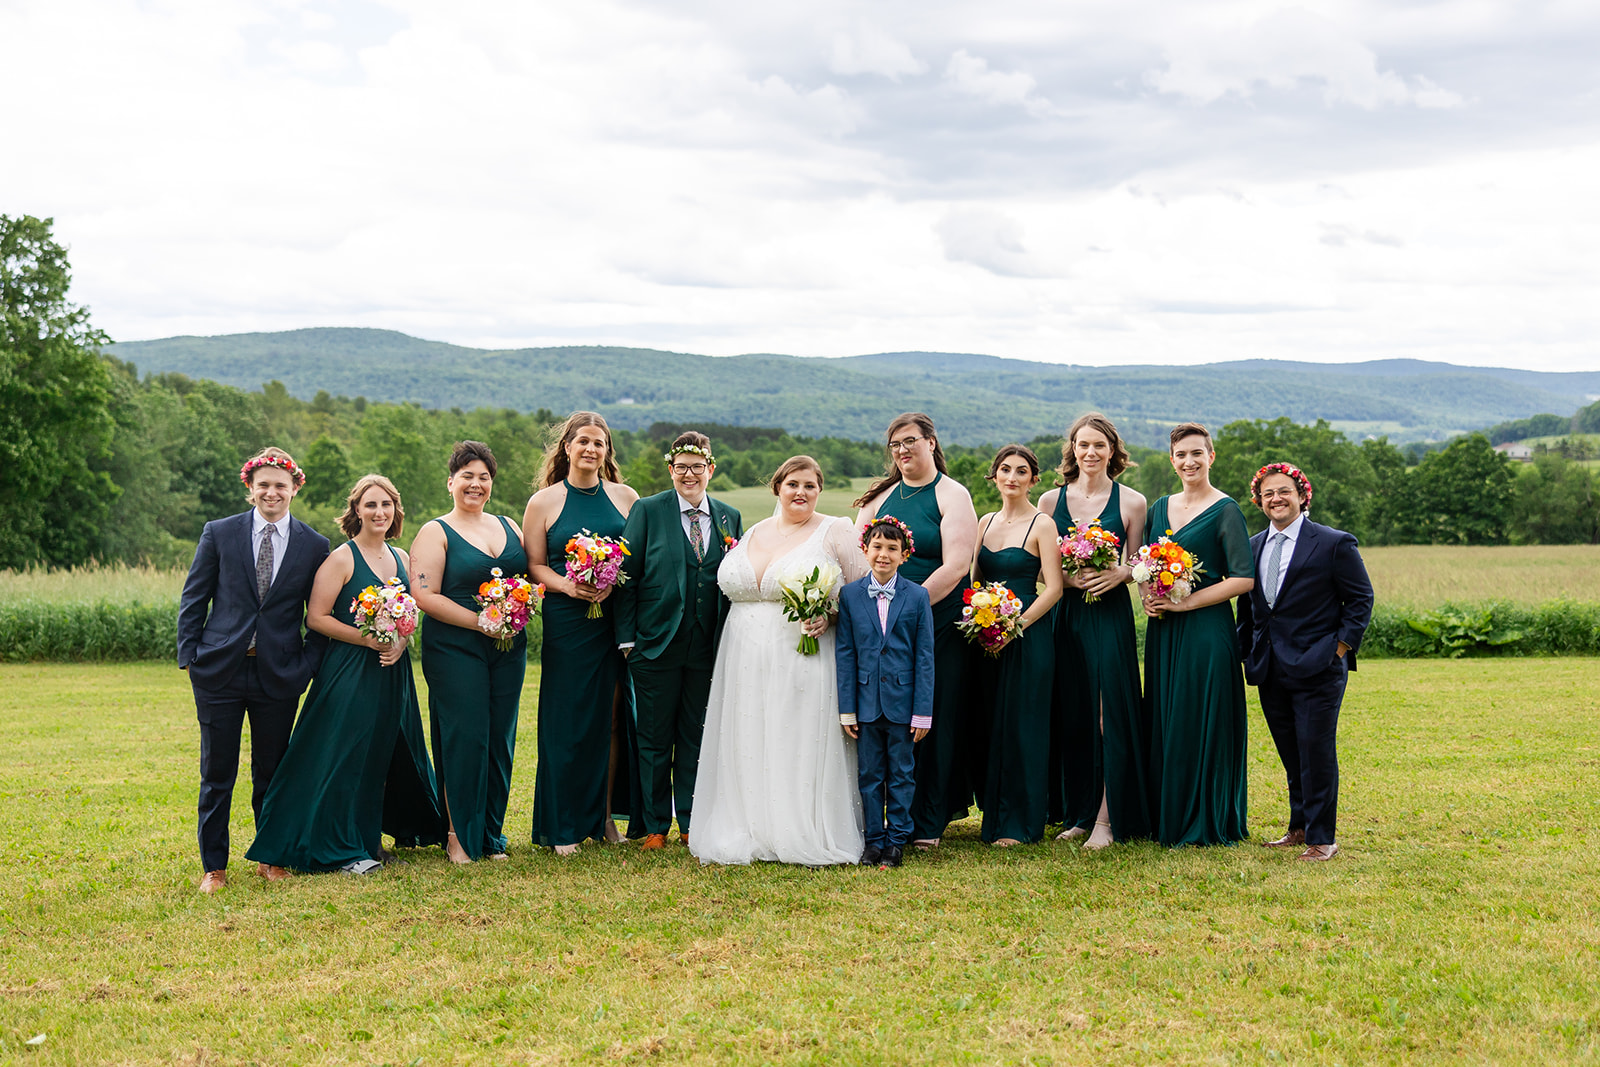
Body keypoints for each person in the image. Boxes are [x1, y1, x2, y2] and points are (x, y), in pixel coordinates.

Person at [247, 474, 444, 874]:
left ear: (395, 511)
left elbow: (412, 614)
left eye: (386, 505)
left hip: (393, 672)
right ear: (356, 510)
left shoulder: (403, 557)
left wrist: (400, 642)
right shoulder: (341, 558)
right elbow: (316, 618)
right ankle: (339, 846)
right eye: (370, 505)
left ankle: (368, 840)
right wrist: (368, 639)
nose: (379, 512)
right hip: (350, 672)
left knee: (383, 755)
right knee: (344, 756)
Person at [690, 456, 869, 866]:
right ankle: (752, 825)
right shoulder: (753, 531)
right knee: (750, 735)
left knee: (795, 734)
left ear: (819, 490)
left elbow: (861, 592)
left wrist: (831, 615)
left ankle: (799, 827)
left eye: (809, 485)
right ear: (778, 488)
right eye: (792, 484)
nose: (800, 492)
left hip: (802, 655)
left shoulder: (836, 529)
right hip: (742, 657)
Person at [178, 447, 330, 893]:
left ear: (294, 489)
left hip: (279, 675)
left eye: (280, 485)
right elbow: (194, 597)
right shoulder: (219, 533)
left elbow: (317, 614)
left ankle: (271, 857)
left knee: (273, 770)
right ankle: (214, 867)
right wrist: (190, 656)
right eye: (263, 484)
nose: (271, 492)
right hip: (219, 671)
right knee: (217, 772)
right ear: (250, 488)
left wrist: (306, 665)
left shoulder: (313, 545)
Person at [1237, 463, 1374, 862]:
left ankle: (1322, 839)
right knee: (1291, 752)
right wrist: (1246, 652)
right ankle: (1298, 828)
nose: (1276, 499)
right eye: (1267, 494)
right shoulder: (1253, 545)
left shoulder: (1333, 543)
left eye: (1283, 491)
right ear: (1259, 501)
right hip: (1270, 666)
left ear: (1301, 495)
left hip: (1319, 666)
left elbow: (1360, 599)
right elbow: (1249, 608)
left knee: (1315, 751)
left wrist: (1340, 649)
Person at [614, 431, 744, 850]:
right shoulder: (648, 511)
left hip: (707, 647)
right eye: (681, 467)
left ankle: (692, 820)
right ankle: (655, 826)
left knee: (696, 735)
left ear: (711, 469)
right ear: (671, 470)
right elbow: (626, 579)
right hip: (654, 644)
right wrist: (627, 642)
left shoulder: (729, 517)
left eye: (697, 467)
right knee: (654, 738)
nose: (690, 474)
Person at [854, 413, 978, 848]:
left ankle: (928, 820)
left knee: (933, 718)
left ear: (931, 442)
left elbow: (957, 563)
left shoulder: (952, 494)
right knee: (888, 717)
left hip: (937, 622)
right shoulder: (881, 497)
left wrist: (911, 605)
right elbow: (858, 559)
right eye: (895, 445)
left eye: (910, 441)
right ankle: (884, 815)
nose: (903, 451)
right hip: (883, 628)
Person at [523, 413, 641, 855]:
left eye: (600, 443)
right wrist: (568, 584)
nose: (591, 449)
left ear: (607, 451)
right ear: (567, 447)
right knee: (566, 719)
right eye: (583, 442)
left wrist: (614, 580)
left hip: (613, 619)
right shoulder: (544, 502)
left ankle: (606, 816)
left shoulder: (626, 497)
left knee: (611, 718)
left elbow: (635, 557)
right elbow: (534, 565)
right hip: (567, 620)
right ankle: (564, 822)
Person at [1037, 413, 1151, 850]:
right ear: (1072, 450)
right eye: (1083, 445)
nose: (1090, 453)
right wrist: (1069, 580)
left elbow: (1139, 564)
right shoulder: (1050, 501)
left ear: (1112, 451)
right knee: (1076, 713)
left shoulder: (1132, 502)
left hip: (1108, 617)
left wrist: (1119, 573)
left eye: (1099, 445)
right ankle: (1081, 813)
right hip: (1065, 616)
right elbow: (1040, 570)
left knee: (1108, 714)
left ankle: (1108, 819)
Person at [1140, 423, 1256, 848]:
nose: (1189, 462)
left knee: (1199, 717)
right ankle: (1165, 813)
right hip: (1164, 631)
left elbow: (1243, 578)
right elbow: (1144, 564)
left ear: (1211, 456)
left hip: (1206, 631)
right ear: (1171, 461)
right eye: (1181, 455)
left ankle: (1204, 816)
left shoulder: (1226, 510)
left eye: (1197, 453)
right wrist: (1146, 597)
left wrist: (1186, 603)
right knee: (1168, 715)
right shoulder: (1159, 507)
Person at [411, 441, 527, 864]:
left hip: (509, 648)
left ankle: (490, 834)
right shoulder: (435, 531)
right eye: (467, 476)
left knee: (500, 739)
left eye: (483, 477)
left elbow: (530, 581)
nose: (475, 485)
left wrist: (526, 605)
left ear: (491, 484)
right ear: (451, 482)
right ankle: (459, 835)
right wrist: (481, 621)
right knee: (466, 737)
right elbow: (424, 595)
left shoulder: (510, 526)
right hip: (455, 649)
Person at [967, 445, 1064, 846]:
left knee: (1024, 725)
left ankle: (1022, 822)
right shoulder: (984, 521)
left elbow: (1055, 588)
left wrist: (1014, 627)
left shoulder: (1042, 524)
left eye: (1021, 471)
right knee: (992, 723)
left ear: (1033, 480)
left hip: (1028, 636)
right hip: (987, 638)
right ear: (994, 476)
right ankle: (995, 813)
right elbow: (973, 578)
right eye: (1004, 469)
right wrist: (980, 621)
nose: (1011, 477)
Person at [836, 517, 935, 869]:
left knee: (902, 774)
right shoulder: (849, 596)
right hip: (864, 705)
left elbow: (925, 657)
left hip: (903, 706)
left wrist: (923, 711)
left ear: (904, 555)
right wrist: (846, 708)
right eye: (877, 547)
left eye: (892, 548)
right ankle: (872, 841)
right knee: (869, 776)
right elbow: (845, 652)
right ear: (865, 550)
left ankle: (896, 842)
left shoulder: (918, 595)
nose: (883, 554)